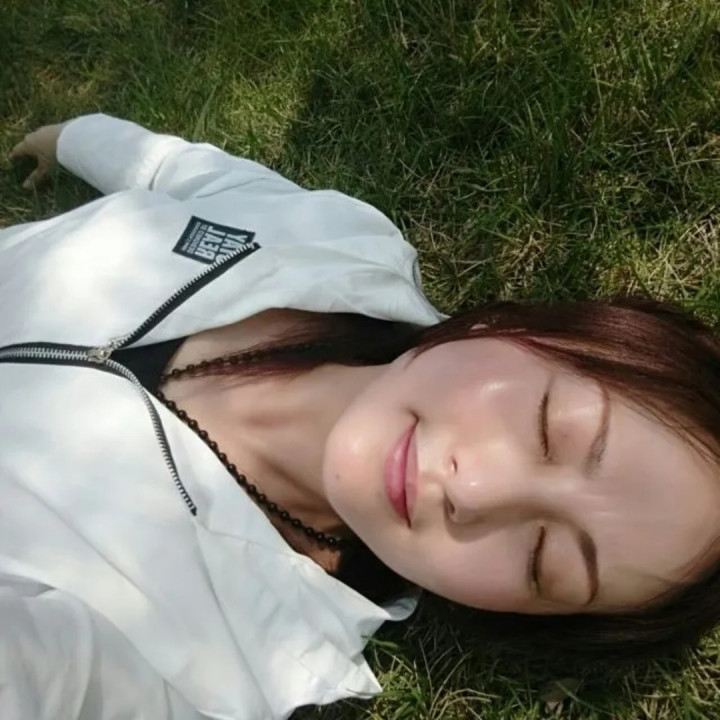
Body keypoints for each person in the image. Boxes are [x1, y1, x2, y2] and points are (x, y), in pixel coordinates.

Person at [3, 114, 720, 720]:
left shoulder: (212, 663)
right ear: (523, 331)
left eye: (543, 560)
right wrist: (74, 136)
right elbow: (185, 173)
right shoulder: (343, 244)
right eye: (548, 427)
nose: (474, 493)